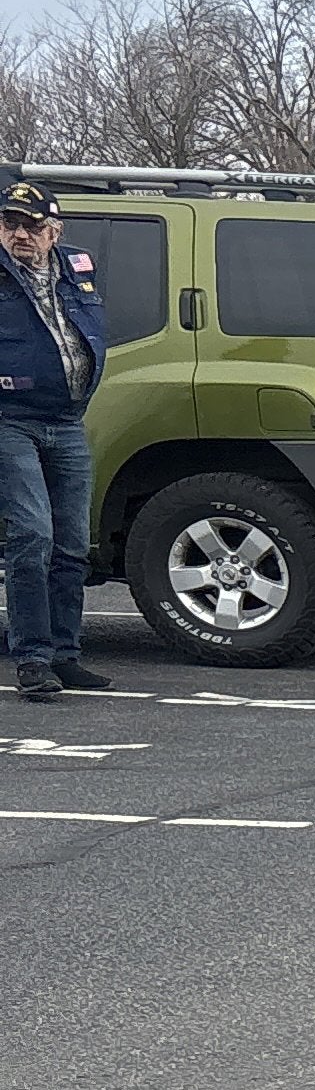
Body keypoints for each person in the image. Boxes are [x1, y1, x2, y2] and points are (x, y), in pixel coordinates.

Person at [0, 176, 110, 700]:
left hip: (67, 420)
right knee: (32, 536)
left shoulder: (76, 268)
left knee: (71, 544)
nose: (20, 234)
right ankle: (31, 659)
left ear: (54, 231)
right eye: (10, 223)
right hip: (9, 420)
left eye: (32, 225)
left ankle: (65, 654)